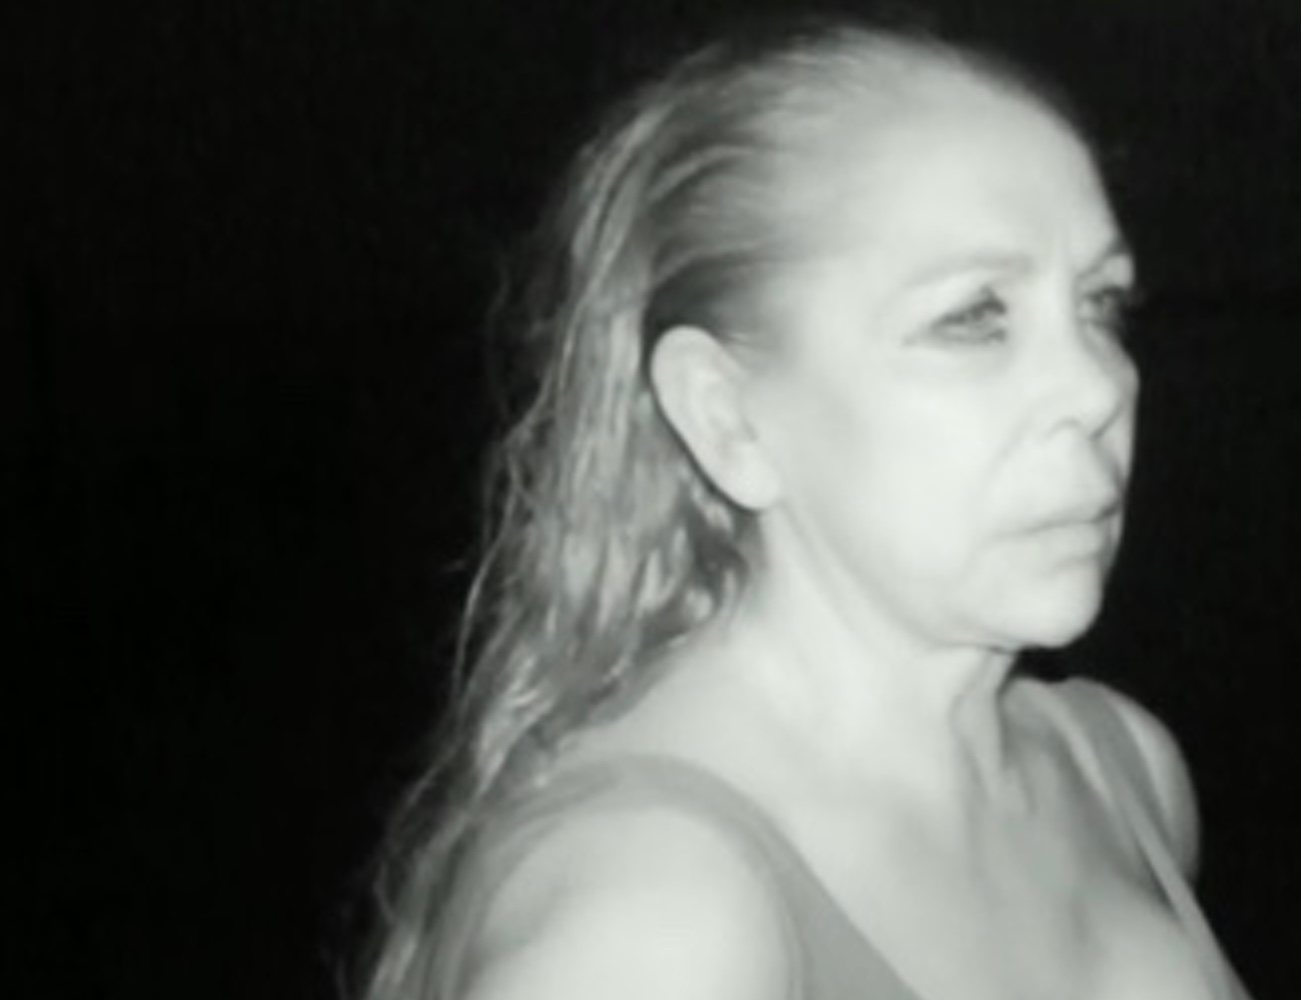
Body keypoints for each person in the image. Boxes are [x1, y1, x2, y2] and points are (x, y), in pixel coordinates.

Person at [357, 13, 1250, 1000]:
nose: (1098, 386)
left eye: (1099, 304)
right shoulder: (654, 922)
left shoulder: (1119, 772)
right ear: (728, 419)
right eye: (972, 317)